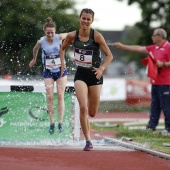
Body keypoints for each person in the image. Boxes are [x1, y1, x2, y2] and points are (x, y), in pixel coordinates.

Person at [60, 8, 113, 151]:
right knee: (83, 107)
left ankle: (88, 128)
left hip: (95, 76)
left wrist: (101, 69)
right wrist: (63, 64)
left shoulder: (97, 36)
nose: (85, 21)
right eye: (83, 18)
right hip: (81, 75)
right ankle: (88, 141)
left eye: (88, 19)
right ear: (79, 18)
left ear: (92, 21)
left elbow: (109, 55)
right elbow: (62, 48)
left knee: (92, 113)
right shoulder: (72, 36)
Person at [113, 28, 170, 136]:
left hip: (166, 83)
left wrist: (163, 64)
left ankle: (169, 129)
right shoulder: (153, 47)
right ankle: (151, 127)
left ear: (160, 36)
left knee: (167, 106)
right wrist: (123, 46)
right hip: (155, 82)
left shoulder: (168, 47)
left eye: (154, 35)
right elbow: (139, 48)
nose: (152, 37)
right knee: (155, 106)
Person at [29, 17, 68, 134]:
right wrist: (34, 58)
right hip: (48, 72)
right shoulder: (41, 41)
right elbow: (35, 49)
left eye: (52, 32)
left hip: (61, 71)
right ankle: (52, 122)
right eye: (48, 33)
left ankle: (60, 122)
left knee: (60, 95)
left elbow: (71, 35)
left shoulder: (59, 37)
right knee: (50, 97)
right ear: (44, 31)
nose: (50, 35)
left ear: (55, 31)